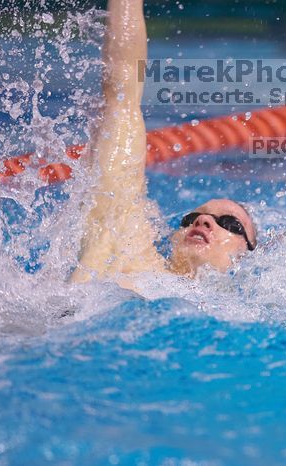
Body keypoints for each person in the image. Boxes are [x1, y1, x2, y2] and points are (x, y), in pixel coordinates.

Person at [70, 0, 256, 289]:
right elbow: (121, 95)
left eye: (230, 224)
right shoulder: (126, 254)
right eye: (191, 218)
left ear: (250, 257)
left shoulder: (255, 312)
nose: (204, 221)